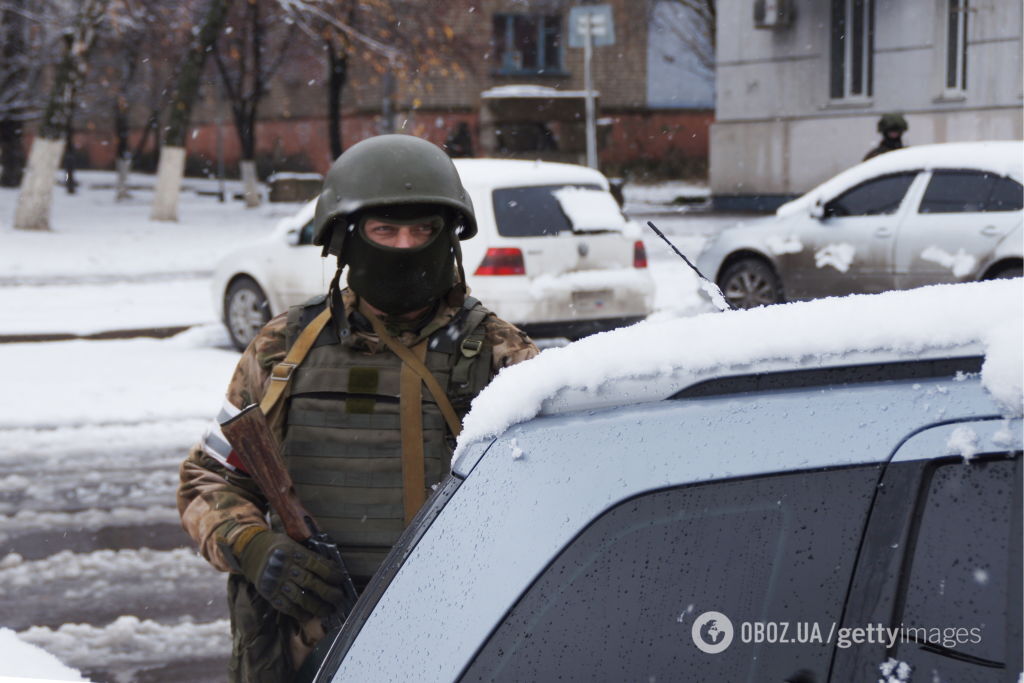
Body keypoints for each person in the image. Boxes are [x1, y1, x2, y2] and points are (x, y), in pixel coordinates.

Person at [177, 134, 539, 681]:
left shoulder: (498, 353)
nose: (404, 246)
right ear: (346, 239)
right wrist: (252, 547)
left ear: (449, 239)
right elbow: (208, 479)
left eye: (423, 230)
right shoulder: (283, 350)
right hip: (305, 649)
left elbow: (551, 496)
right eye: (384, 230)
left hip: (451, 638)